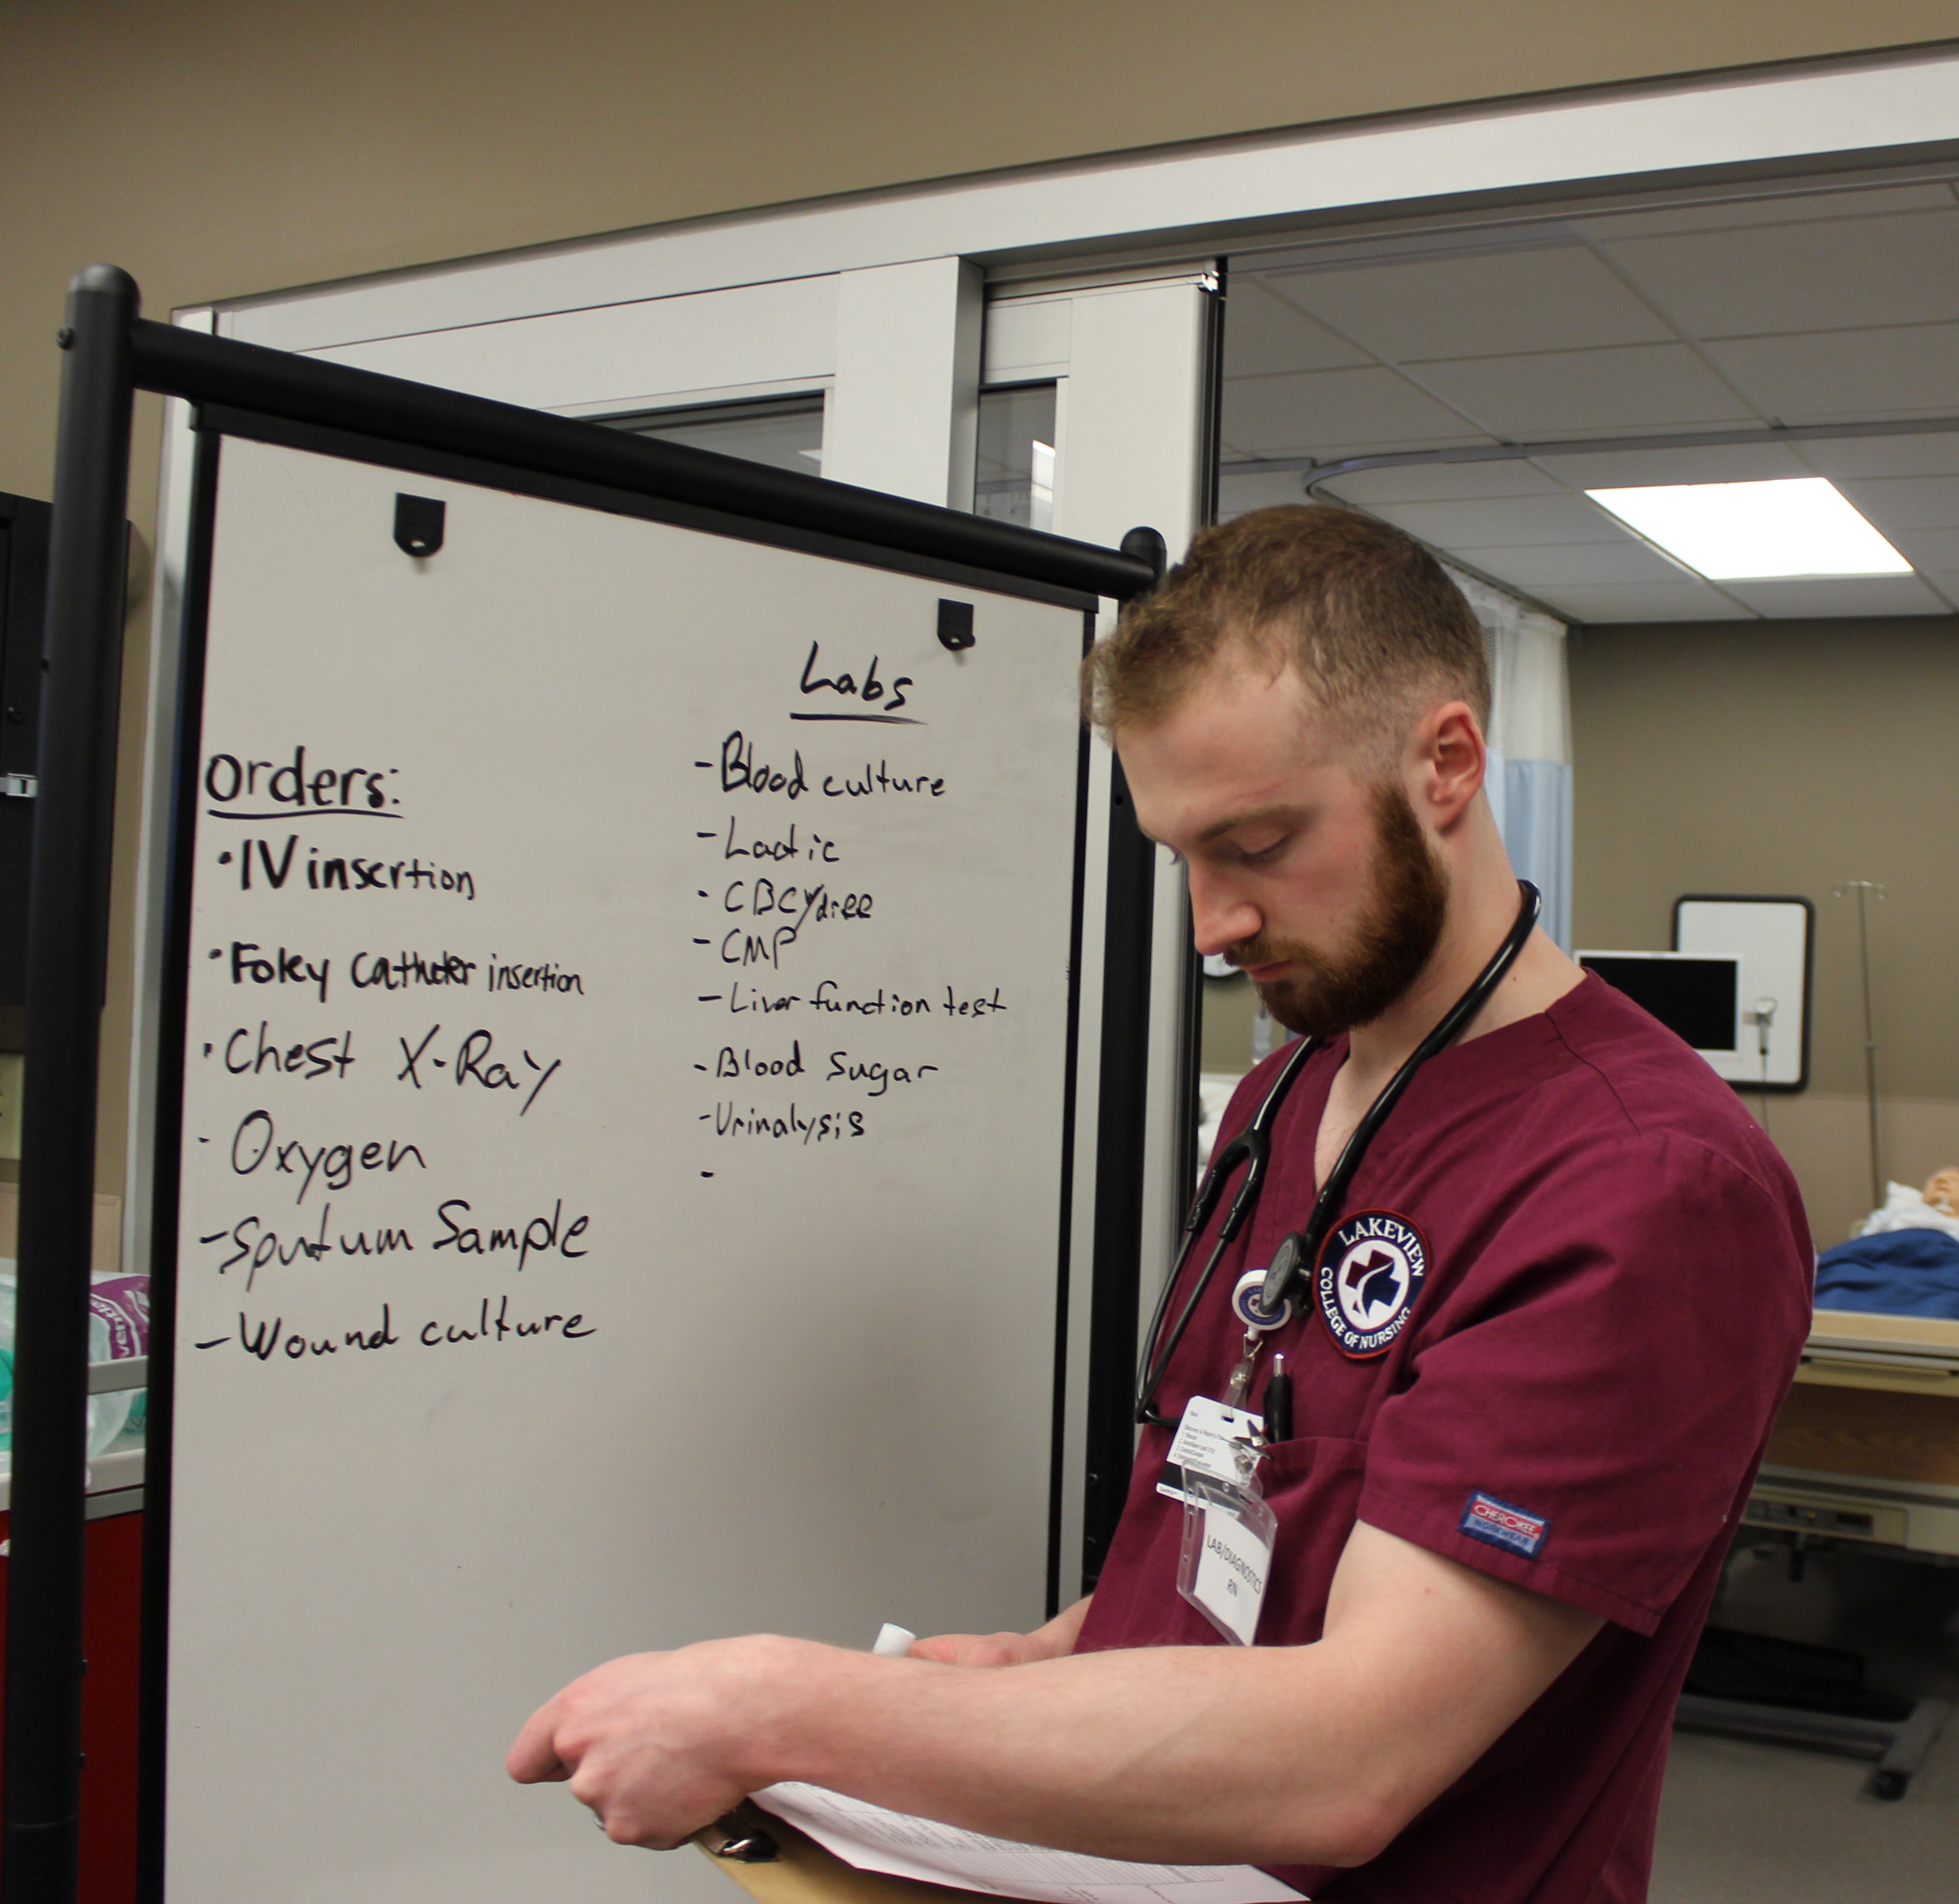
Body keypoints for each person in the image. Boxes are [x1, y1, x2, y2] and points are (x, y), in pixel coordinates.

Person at [507, 505, 1812, 1901]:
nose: (1210, 924)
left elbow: (1355, 1756)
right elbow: (1239, 1499)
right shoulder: (1283, 1102)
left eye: (1254, 843)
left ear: (1443, 764)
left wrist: (771, 1703)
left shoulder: (1643, 1183)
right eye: (1181, 854)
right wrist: (1047, 1656)